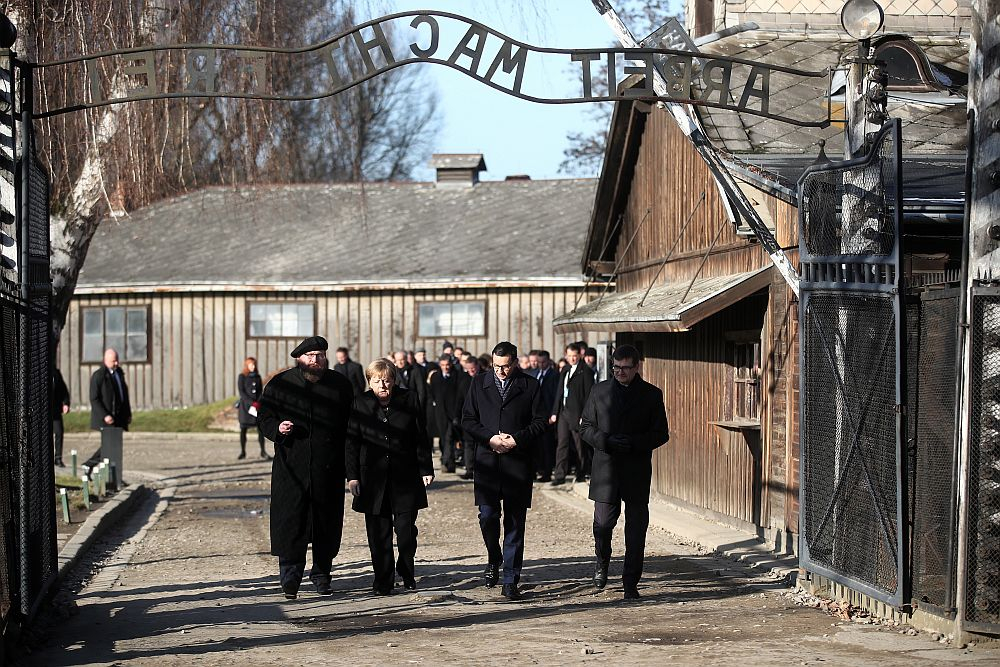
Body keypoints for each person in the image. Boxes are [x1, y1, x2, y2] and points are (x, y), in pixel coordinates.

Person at [257, 336, 355, 599]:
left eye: (320, 355)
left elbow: (352, 426)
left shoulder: (340, 385)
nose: (315, 360)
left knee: (326, 523)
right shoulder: (281, 384)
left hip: (329, 468)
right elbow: (265, 416)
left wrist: (352, 468)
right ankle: (290, 576)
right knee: (291, 522)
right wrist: (277, 428)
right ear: (299, 359)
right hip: (292, 466)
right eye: (310, 356)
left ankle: (322, 575)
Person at [580, 345, 669, 600]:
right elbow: (585, 427)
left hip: (636, 469)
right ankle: (602, 560)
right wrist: (605, 440)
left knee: (636, 530)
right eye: (616, 368)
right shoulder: (600, 391)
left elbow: (661, 433)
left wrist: (635, 442)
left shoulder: (651, 395)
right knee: (603, 523)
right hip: (606, 468)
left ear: (637, 366)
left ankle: (631, 583)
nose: (619, 372)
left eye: (625, 368)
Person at [462, 341, 547, 601]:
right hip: (488, 461)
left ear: (515, 362)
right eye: (496, 366)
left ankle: (510, 578)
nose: (500, 371)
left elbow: (540, 421)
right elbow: (467, 419)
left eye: (506, 366)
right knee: (487, 516)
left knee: (514, 523)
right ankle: (493, 557)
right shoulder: (479, 383)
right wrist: (490, 438)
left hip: (517, 462)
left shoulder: (530, 385)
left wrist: (517, 439)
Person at [346, 359, 434, 595]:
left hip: (405, 476)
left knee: (405, 531)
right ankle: (383, 580)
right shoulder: (360, 403)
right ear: (369, 382)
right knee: (378, 534)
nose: (383, 385)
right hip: (372, 478)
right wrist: (352, 476)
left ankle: (406, 568)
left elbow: (420, 436)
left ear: (394, 381)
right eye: (377, 380)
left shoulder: (409, 399)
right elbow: (352, 442)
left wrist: (426, 468)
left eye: (387, 380)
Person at [550, 343, 595, 485]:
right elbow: (559, 392)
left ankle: (582, 471)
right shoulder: (565, 369)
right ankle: (559, 475)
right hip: (564, 411)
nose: (572, 358)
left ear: (579, 355)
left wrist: (585, 415)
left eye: (574, 356)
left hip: (577, 413)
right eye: (569, 356)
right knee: (562, 443)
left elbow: (589, 395)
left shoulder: (586, 372)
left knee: (579, 445)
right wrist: (554, 412)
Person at [428, 354, 460, 473]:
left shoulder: (456, 375)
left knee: (449, 437)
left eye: (447, 365)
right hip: (440, 413)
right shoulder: (435, 376)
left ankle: (447, 462)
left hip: (453, 412)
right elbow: (431, 393)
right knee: (443, 437)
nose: (445, 367)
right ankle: (446, 460)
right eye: (443, 365)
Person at [533, 350, 560, 483]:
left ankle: (547, 472)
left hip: (548, 415)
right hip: (536, 416)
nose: (541, 364)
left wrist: (553, 413)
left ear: (548, 361)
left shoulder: (554, 375)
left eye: (543, 362)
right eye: (539, 362)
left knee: (547, 446)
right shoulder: (535, 374)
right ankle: (540, 469)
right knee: (538, 446)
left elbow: (556, 395)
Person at [89, 348, 132, 431]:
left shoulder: (119, 374)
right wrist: (104, 415)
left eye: (117, 360)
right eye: (113, 361)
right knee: (108, 443)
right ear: (106, 361)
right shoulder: (99, 376)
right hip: (106, 421)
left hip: (119, 419)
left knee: (117, 443)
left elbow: (124, 396)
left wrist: (127, 414)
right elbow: (94, 399)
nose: (116, 363)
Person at [237, 357, 269, 460]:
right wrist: (251, 403)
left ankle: (263, 451)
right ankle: (242, 451)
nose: (253, 367)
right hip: (246, 408)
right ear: (247, 366)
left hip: (257, 407)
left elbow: (260, 391)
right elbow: (242, 392)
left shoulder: (258, 377)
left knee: (260, 430)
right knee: (243, 430)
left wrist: (258, 402)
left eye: (254, 365)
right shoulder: (242, 377)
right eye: (251, 365)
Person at [455, 353, 479, 480]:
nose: (471, 371)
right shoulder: (464, 381)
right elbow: (459, 400)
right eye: (468, 369)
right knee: (468, 445)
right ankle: (470, 469)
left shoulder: (484, 378)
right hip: (468, 418)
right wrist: (456, 416)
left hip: (482, 418)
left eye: (473, 369)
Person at [52, 366, 70, 467]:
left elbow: (63, 390)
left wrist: (66, 403)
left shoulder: (55, 373)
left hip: (55, 410)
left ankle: (58, 458)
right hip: (42, 411)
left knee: (59, 432)